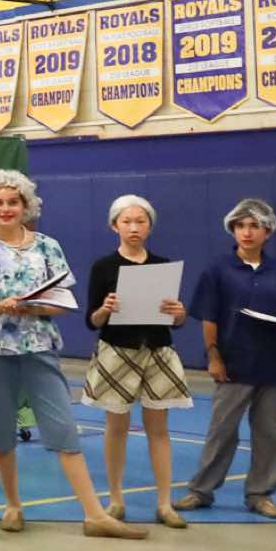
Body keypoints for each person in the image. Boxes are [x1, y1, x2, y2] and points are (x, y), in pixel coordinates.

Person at [0, 170, 145, 540]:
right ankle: (12, 504)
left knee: (63, 427)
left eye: (13, 202)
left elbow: (63, 303)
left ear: (26, 205)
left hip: (40, 347)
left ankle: (95, 514)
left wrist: (33, 308)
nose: (5, 209)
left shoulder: (48, 246)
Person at [176, 200, 276, 518]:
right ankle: (201, 490)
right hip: (234, 363)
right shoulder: (217, 270)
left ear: (268, 231)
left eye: (254, 226)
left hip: (275, 364)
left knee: (271, 433)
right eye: (240, 226)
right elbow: (209, 317)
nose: (247, 232)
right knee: (222, 430)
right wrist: (214, 357)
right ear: (232, 230)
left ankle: (260, 494)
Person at [82, 195, 192, 528]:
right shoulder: (103, 267)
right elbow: (92, 320)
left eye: (140, 221)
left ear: (149, 227)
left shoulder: (162, 265)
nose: (133, 227)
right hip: (117, 351)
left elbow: (176, 320)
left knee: (159, 429)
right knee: (116, 428)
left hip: (158, 350)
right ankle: (115, 499)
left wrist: (180, 314)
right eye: (126, 221)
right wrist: (105, 309)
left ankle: (164, 503)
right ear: (114, 226)